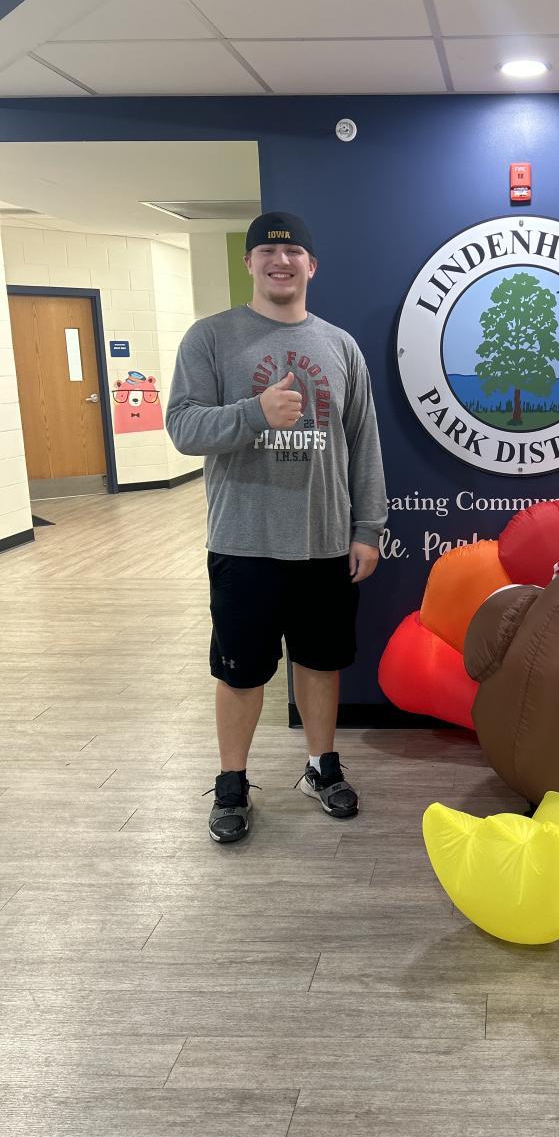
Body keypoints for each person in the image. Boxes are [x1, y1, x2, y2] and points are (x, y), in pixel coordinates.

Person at [167, 211, 387, 843]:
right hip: (244, 541)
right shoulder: (210, 338)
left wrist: (368, 528)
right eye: (266, 251)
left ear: (311, 266)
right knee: (239, 672)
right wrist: (254, 413)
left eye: (292, 253)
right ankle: (232, 782)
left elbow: (363, 443)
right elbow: (182, 427)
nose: (280, 261)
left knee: (320, 664)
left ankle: (322, 767)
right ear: (249, 263)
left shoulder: (341, 346)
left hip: (324, 541)